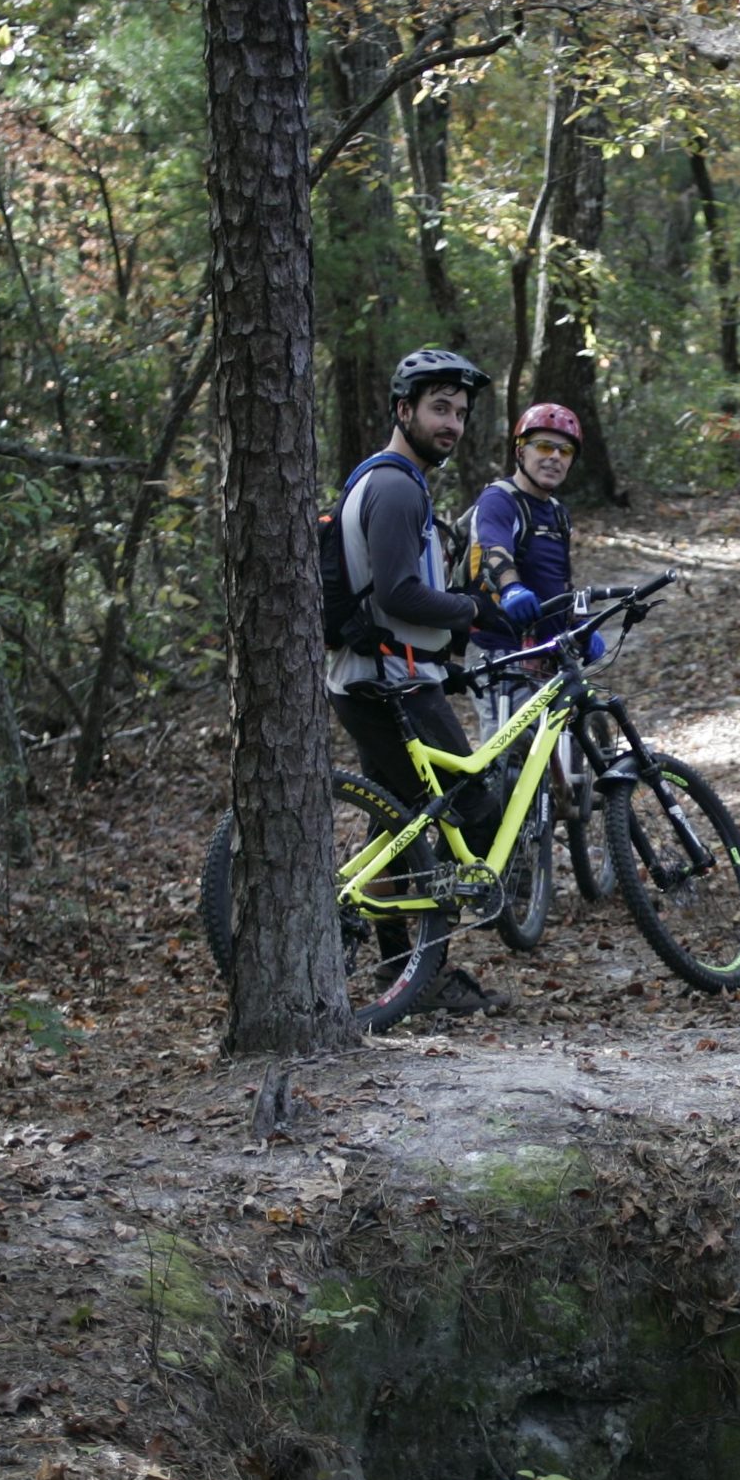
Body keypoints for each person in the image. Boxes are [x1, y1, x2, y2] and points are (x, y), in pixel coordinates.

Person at [323, 347, 509, 1016]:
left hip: (376, 674)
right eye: (439, 408)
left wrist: (449, 648)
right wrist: (473, 611)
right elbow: (399, 594)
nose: (452, 423)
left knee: (398, 824)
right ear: (403, 409)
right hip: (392, 679)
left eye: (460, 412)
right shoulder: (398, 486)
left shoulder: (384, 481)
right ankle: (420, 970)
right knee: (475, 808)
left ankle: (403, 971)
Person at [464, 403, 602, 741]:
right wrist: (511, 588)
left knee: (563, 747)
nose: (554, 457)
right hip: (500, 650)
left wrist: (579, 625)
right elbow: (494, 552)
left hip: (548, 650)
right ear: (520, 451)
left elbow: (560, 580)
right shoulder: (499, 500)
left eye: (565, 450)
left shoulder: (557, 513)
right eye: (544, 446)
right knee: (511, 755)